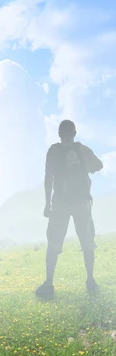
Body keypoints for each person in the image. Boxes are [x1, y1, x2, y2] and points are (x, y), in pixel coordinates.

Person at [35, 120, 103, 299]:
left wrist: (46, 203)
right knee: (87, 241)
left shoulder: (53, 151)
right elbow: (99, 165)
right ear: (74, 132)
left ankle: (49, 283)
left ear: (59, 133)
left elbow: (48, 177)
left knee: (54, 241)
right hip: (82, 202)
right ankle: (90, 280)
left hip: (59, 203)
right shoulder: (83, 149)